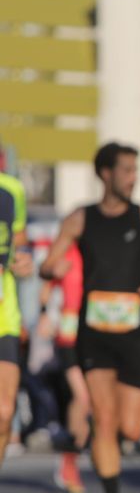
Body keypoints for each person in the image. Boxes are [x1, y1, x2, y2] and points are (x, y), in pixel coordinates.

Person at [40, 142, 140, 493]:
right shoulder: (80, 218)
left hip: (134, 334)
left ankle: (108, 449)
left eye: (135, 170)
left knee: (130, 427)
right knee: (103, 417)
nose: (133, 178)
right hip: (93, 333)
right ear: (105, 174)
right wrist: (53, 268)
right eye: (127, 170)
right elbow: (50, 262)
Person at [38, 243, 90, 493]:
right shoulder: (67, 251)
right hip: (68, 332)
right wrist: (44, 314)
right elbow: (46, 283)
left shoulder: (98, 250)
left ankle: (71, 458)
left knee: (86, 402)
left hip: (93, 328)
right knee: (82, 397)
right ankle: (69, 460)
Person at [0, 149, 33, 474]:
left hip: (3, 316)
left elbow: (20, 242)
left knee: (4, 413)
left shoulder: (11, 190)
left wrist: (23, 259)